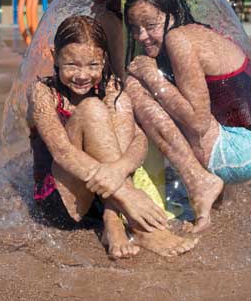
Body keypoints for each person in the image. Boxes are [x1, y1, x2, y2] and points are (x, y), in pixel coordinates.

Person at [27, 15, 197, 258]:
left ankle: (112, 219)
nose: (82, 75)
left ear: (103, 59)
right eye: (72, 65)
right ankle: (137, 226)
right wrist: (129, 193)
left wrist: (119, 170)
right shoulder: (42, 93)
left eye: (93, 65)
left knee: (119, 102)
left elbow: (139, 139)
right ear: (55, 57)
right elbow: (62, 152)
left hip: (103, 198)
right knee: (92, 109)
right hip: (62, 201)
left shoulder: (110, 86)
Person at [123, 0, 251, 233]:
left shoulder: (179, 40)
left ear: (173, 13)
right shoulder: (199, 32)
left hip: (239, 152)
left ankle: (199, 181)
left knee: (135, 86)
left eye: (150, 25)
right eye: (134, 28)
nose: (142, 36)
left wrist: (150, 76)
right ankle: (218, 195)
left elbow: (198, 121)